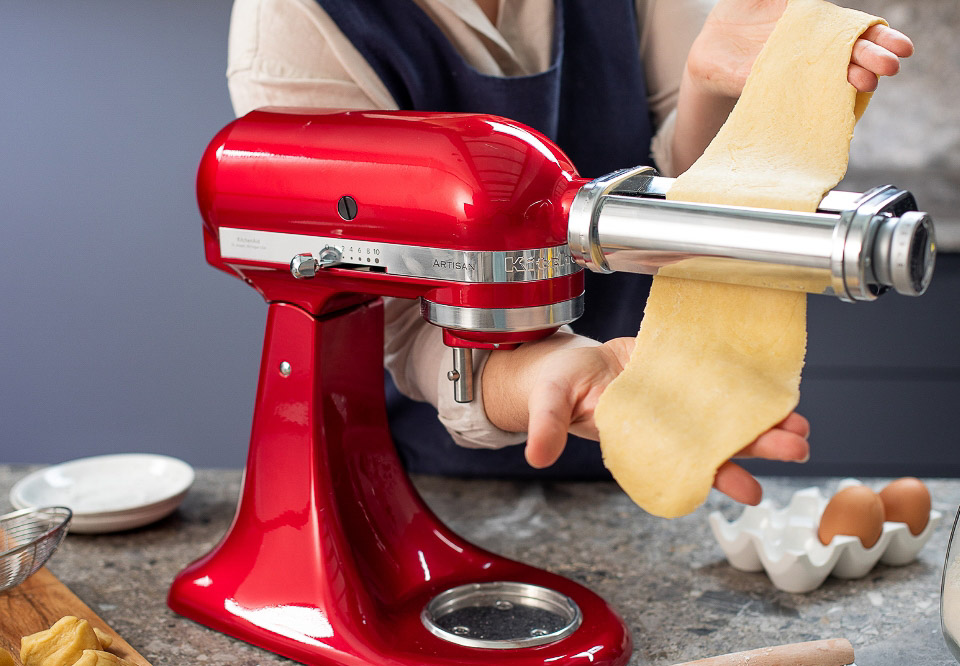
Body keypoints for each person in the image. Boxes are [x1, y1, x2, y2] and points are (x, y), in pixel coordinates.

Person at [226, 0, 913, 505]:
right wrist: (536, 376)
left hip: (639, 424)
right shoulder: (296, 21)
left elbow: (687, 186)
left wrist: (711, 87)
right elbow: (393, 326)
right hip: (417, 486)